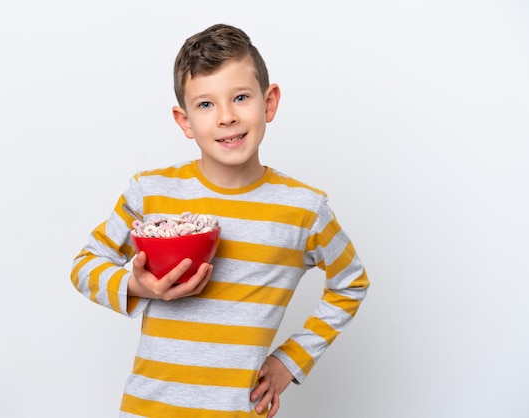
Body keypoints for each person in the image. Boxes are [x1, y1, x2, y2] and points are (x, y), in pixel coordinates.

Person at [71, 23, 370, 417]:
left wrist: (290, 362)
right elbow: (85, 266)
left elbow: (351, 283)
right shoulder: (150, 193)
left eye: (241, 97)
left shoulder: (303, 209)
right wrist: (140, 286)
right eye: (206, 105)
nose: (226, 117)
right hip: (147, 407)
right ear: (184, 121)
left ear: (269, 102)